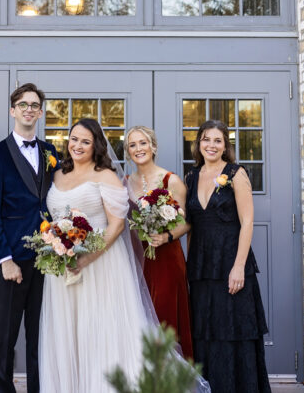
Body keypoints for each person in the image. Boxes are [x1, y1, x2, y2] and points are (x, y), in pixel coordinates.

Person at [38, 118, 151, 393]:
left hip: (101, 265)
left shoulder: (106, 176)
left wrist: (86, 258)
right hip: (62, 266)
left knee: (99, 331)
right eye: (74, 139)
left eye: (85, 141)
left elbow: (117, 225)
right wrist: (56, 246)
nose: (77, 145)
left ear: (96, 145)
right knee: (68, 333)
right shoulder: (57, 173)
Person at [0, 83, 57, 393]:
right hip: (11, 260)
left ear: (40, 112)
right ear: (13, 110)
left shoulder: (51, 152)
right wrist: (4, 260)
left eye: (34, 104)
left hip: (47, 261)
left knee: (40, 336)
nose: (28, 109)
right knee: (6, 336)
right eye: (22, 104)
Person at [184, 119, 272, 393]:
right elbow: (190, 225)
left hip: (231, 263)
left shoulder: (236, 173)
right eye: (206, 139)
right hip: (202, 267)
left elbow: (248, 222)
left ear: (225, 146)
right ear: (199, 143)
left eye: (217, 140)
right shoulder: (191, 176)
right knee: (205, 333)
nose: (211, 145)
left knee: (233, 333)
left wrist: (238, 267)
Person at [124, 125, 193, 359]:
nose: (138, 149)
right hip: (137, 259)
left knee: (164, 317)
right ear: (127, 152)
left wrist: (165, 236)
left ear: (153, 146)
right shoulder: (124, 182)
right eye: (132, 145)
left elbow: (186, 222)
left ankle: (171, 377)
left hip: (166, 259)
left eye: (143, 143)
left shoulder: (170, 180)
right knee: (139, 318)